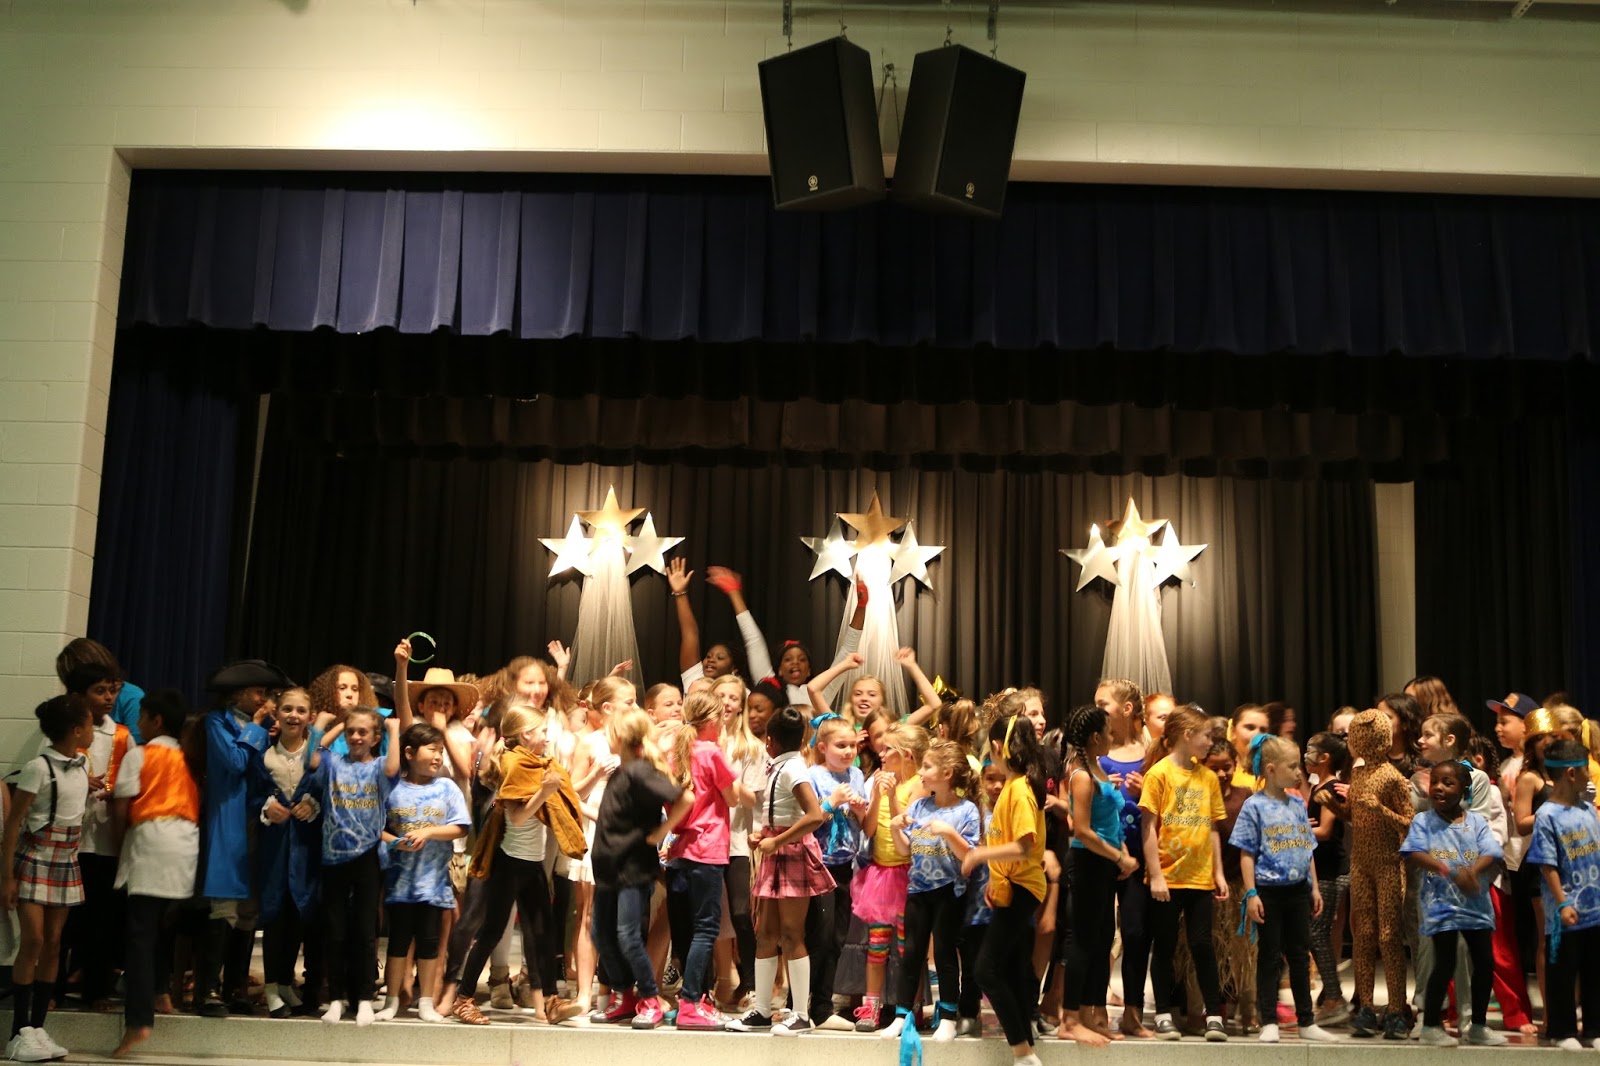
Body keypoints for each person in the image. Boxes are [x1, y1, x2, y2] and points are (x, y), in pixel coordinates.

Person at [456, 704, 584, 1025]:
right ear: (526, 734)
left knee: (542, 934)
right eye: (543, 731)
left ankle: (550, 1003)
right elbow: (516, 816)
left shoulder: (538, 762)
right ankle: (463, 998)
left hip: (532, 863)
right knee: (492, 931)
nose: (547, 737)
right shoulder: (515, 764)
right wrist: (545, 790)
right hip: (510, 864)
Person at [727, 706, 834, 1035]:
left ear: (770, 740)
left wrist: (778, 840)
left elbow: (814, 815)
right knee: (765, 934)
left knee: (791, 934)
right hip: (775, 850)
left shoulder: (794, 769)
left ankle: (801, 1014)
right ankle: (762, 1009)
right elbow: (783, 811)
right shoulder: (780, 766)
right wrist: (764, 834)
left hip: (792, 853)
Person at [197, 659, 291, 1018]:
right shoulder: (217, 722)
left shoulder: (264, 728)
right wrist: (255, 728)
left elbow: (262, 774)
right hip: (228, 821)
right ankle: (207, 989)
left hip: (256, 820)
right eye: (258, 693)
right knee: (224, 905)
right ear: (238, 694)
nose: (263, 700)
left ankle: (235, 986)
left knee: (249, 908)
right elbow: (235, 763)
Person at [2, 695, 94, 1062]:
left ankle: (38, 1028)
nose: (93, 729)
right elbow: (13, 824)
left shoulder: (82, 765)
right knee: (34, 940)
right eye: (89, 723)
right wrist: (7, 877)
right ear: (76, 730)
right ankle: (18, 1032)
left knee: (54, 943)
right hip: (36, 858)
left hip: (65, 859)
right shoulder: (37, 768)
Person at [589, 706, 693, 1030]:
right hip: (609, 868)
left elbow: (685, 799)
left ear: (620, 736)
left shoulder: (640, 771)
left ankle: (649, 998)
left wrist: (662, 832)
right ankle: (624, 996)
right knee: (601, 933)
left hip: (631, 868)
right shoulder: (623, 771)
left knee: (627, 935)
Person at [111, 689, 200, 1058]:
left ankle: (138, 1020)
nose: (138, 723)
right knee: (164, 926)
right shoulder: (191, 757)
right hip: (186, 842)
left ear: (156, 720)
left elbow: (121, 806)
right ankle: (162, 991)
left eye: (142, 716)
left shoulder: (140, 754)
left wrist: (119, 845)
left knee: (140, 935)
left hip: (150, 840)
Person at [1230, 734, 1336, 1044]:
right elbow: (1247, 853)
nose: (1299, 772)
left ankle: (1306, 1020)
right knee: (1270, 955)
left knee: (1300, 955)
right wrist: (1251, 893)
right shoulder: (1254, 806)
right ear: (1272, 769)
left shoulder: (1298, 804)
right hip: (1269, 891)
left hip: (1298, 891)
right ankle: (1269, 1021)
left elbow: (1307, 847)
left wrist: (1314, 887)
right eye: (1292, 766)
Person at [961, 697, 1048, 1066]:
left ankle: (1023, 1053)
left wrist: (979, 856)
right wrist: (994, 880)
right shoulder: (1014, 786)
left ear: (997, 747)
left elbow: (1025, 847)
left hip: (1025, 887)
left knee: (985, 970)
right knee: (1009, 968)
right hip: (1011, 888)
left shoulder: (1020, 790)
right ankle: (1025, 1048)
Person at [1400, 759, 1506, 1047]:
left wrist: (1472, 872)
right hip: (1441, 907)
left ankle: (1478, 1026)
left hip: (1475, 906)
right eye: (1435, 781)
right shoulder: (1423, 821)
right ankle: (1431, 1026)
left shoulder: (1477, 822)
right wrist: (1448, 870)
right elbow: (1413, 852)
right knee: (1444, 963)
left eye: (1448, 783)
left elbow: (1492, 852)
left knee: (1484, 964)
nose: (1439, 788)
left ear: (1464, 789)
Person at [1140, 704, 1228, 1041]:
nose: (1211, 742)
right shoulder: (1159, 774)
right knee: (1163, 945)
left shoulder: (1207, 778)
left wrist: (1218, 873)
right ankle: (1163, 1013)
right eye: (1206, 736)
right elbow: (1148, 828)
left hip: (1199, 876)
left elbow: (1212, 829)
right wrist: (1156, 874)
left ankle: (1213, 1014)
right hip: (1168, 877)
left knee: (1202, 944)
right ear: (1188, 735)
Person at [665, 691, 752, 1030]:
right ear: (712, 721)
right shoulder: (712, 752)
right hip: (707, 849)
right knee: (706, 929)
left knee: (687, 932)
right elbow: (732, 798)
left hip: (680, 851)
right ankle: (691, 1003)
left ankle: (695, 999)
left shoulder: (676, 751)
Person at [885, 739, 981, 1046]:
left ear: (947, 773)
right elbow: (905, 850)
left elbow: (969, 857)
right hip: (918, 890)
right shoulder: (919, 806)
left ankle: (949, 1016)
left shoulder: (967, 811)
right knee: (911, 953)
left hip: (949, 892)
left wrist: (949, 833)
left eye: (927, 767)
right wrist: (895, 828)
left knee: (943, 953)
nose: (920, 773)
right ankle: (902, 1015)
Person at [374, 722, 471, 1023]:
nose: (438, 756)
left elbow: (460, 827)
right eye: (432, 750)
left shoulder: (447, 787)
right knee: (398, 942)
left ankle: (426, 1001)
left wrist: (428, 832)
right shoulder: (393, 788)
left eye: (441, 751)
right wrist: (396, 843)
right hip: (399, 883)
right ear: (409, 753)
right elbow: (377, 828)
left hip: (434, 884)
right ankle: (391, 1001)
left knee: (430, 944)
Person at [315, 704, 402, 1024]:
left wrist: (394, 731)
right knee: (335, 931)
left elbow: (393, 769)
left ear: (375, 737)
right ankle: (337, 997)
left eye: (362, 732)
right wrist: (329, 726)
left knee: (365, 930)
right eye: (351, 731)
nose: (355, 737)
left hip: (367, 856)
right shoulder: (334, 762)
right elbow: (313, 758)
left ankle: (364, 997)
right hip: (333, 856)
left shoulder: (378, 766)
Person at [1059, 704, 1139, 1048]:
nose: (1112, 736)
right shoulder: (1081, 775)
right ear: (1094, 737)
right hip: (1087, 862)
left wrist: (1120, 854)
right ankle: (1069, 1019)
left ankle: (1090, 1013)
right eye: (1108, 732)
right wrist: (1119, 856)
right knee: (1082, 941)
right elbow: (1082, 830)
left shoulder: (1099, 768)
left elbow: (1110, 823)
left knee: (1103, 938)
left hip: (1104, 862)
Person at [55, 661, 131, 1011]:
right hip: (68, 840)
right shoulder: (62, 733)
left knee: (101, 920)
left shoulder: (122, 735)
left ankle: (96, 990)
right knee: (63, 921)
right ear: (79, 695)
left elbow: (131, 779)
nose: (108, 698)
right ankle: (53, 989)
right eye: (100, 691)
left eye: (112, 690)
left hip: (104, 840)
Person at [849, 719, 928, 1031]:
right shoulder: (881, 781)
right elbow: (869, 830)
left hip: (908, 876)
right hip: (880, 876)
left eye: (888, 750)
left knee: (909, 948)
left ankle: (911, 1008)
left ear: (906, 755)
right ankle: (871, 1007)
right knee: (877, 945)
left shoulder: (918, 785)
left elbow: (905, 827)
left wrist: (892, 795)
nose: (881, 754)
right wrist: (875, 796)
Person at [252, 686, 323, 1018]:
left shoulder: (319, 757)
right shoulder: (264, 756)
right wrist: (266, 808)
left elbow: (328, 793)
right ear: (276, 714)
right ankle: (270, 987)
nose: (294, 715)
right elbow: (252, 795)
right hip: (275, 847)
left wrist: (314, 805)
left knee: (298, 913)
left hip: (307, 847)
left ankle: (284, 983)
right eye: (287, 709)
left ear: (310, 717)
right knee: (275, 912)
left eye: (301, 710)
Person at [1526, 738, 1600, 1050]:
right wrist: (1562, 902)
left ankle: (1594, 1028)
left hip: (1594, 909)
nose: (1589, 776)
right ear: (1571, 773)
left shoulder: (1587, 809)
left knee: (1594, 970)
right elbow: (1547, 864)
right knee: (1563, 970)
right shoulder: (1547, 815)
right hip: (1566, 911)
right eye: (1586, 770)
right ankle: (1562, 1030)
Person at [803, 712, 866, 1026]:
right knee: (819, 935)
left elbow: (863, 823)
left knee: (837, 938)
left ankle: (822, 1007)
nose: (849, 751)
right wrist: (831, 802)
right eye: (841, 745)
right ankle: (800, 1004)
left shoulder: (857, 775)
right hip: (817, 866)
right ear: (822, 747)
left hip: (844, 867)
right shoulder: (812, 776)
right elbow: (808, 821)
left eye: (853, 745)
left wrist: (859, 810)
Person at [1098, 679, 1152, 1039]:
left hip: (1138, 860)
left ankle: (1133, 1013)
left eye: (1104, 704)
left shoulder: (1151, 754)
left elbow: (1164, 803)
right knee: (1100, 935)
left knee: (1135, 933)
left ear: (1127, 709)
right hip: (1104, 856)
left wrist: (1144, 791)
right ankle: (1097, 1010)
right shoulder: (1095, 752)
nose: (1098, 711)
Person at [1303, 730, 1350, 1024]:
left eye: (1310, 749)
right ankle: (1332, 996)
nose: (1305, 754)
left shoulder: (1329, 788)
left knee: (1317, 933)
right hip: (1321, 870)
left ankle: (1334, 998)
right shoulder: (1316, 786)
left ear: (1324, 758)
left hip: (1332, 871)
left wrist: (1295, 827)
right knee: (1314, 933)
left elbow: (1324, 830)